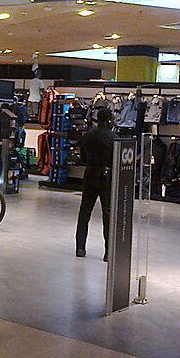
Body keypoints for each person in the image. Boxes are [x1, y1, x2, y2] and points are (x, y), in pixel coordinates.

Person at [76, 108, 116, 261]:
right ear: (109, 120)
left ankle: (80, 248)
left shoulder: (87, 136)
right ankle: (108, 252)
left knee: (84, 213)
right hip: (106, 178)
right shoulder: (114, 138)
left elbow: (83, 158)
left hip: (90, 175)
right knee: (108, 215)